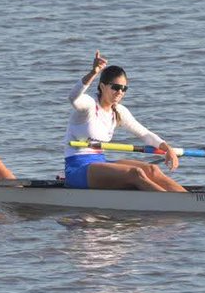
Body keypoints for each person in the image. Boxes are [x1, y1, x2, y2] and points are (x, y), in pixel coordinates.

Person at [63, 51, 186, 192]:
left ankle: (189, 200)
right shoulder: (89, 106)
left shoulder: (119, 111)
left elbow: (144, 134)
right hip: (77, 168)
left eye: (124, 88)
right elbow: (73, 98)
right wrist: (94, 72)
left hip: (99, 162)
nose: (120, 92)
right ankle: (172, 204)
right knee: (136, 173)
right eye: (115, 87)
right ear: (102, 87)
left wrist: (167, 149)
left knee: (152, 169)